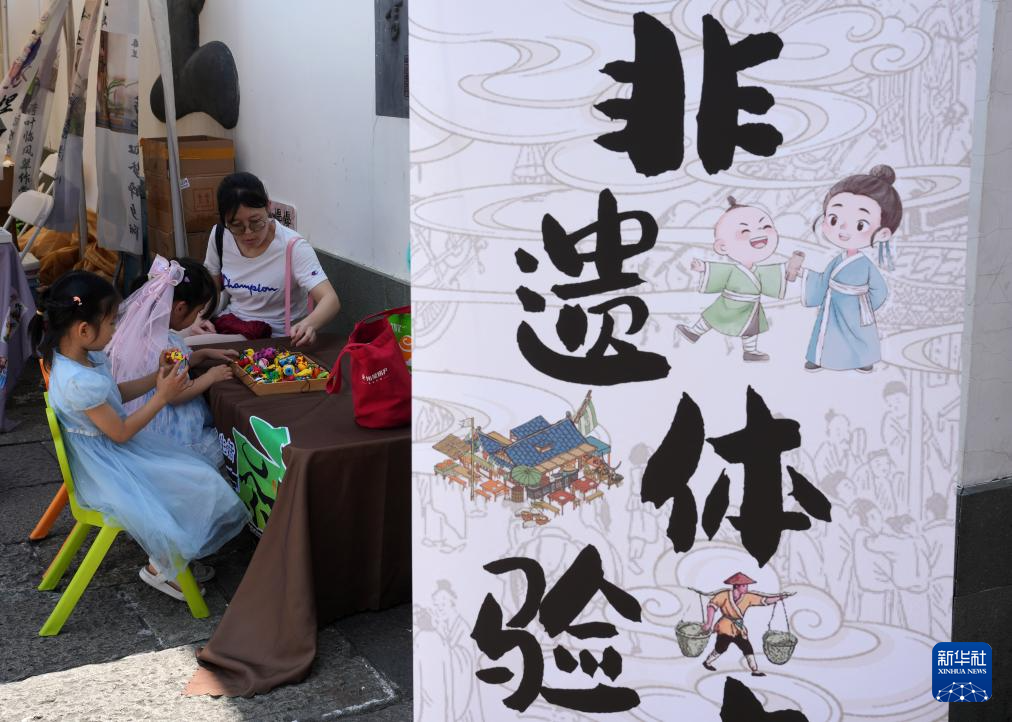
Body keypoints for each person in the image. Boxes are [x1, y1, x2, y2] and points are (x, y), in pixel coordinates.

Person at [30, 270, 248, 601]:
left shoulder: (79, 359)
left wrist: (156, 378)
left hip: (110, 455)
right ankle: (164, 565)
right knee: (198, 482)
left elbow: (114, 393)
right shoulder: (78, 382)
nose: (116, 329)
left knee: (196, 473)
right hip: (108, 468)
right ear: (84, 329)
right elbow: (120, 432)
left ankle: (176, 558)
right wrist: (161, 396)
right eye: (111, 322)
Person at [105, 256, 239, 467]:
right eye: (197, 311)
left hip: (137, 414)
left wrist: (203, 354)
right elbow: (176, 394)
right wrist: (211, 377)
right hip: (166, 426)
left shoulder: (140, 334)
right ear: (180, 308)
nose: (197, 317)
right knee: (221, 445)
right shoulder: (165, 344)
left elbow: (171, 366)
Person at [190, 172, 340, 347]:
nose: (248, 233)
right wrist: (201, 315)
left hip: (272, 336)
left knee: (184, 348)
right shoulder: (220, 235)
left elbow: (330, 299)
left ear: (268, 207)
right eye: (236, 226)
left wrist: (309, 324)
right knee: (170, 338)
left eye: (256, 222)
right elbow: (213, 287)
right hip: (230, 321)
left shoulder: (292, 247)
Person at [678, 197, 804, 362]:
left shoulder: (760, 270)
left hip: (750, 306)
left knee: (751, 329)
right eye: (745, 232)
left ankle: (750, 351)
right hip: (730, 302)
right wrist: (704, 267)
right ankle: (694, 332)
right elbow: (719, 271)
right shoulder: (732, 269)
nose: (758, 234)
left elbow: (774, 274)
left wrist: (788, 268)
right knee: (712, 317)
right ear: (722, 246)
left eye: (765, 227)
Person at [802, 165, 901, 373]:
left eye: (860, 225)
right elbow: (824, 280)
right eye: (834, 219)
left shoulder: (864, 264)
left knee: (859, 335)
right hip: (833, 305)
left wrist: (863, 306)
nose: (843, 229)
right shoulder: (837, 261)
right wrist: (803, 275)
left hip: (856, 307)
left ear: (883, 233)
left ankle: (863, 359)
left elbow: (880, 290)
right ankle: (819, 357)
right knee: (827, 331)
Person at [700, 572, 792, 676]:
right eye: (744, 585)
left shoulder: (747, 596)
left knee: (747, 647)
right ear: (736, 586)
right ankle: (707, 662)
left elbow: (764, 600)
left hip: (739, 629)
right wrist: (709, 623)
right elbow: (711, 606)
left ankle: (754, 670)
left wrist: (779, 597)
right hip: (725, 627)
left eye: (746, 585)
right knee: (721, 648)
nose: (746, 588)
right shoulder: (724, 595)